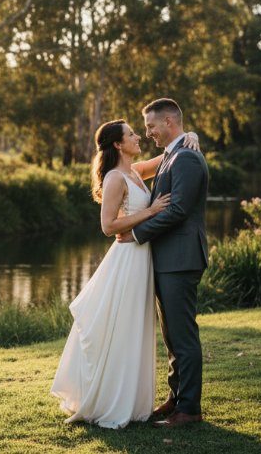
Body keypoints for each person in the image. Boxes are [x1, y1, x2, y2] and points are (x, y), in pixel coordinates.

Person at [50, 117, 199, 429]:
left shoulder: (135, 169)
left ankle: (134, 400)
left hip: (142, 257)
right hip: (127, 257)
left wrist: (191, 134)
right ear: (118, 144)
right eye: (132, 134)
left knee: (135, 329)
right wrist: (150, 211)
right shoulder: (115, 177)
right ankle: (109, 398)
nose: (139, 137)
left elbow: (170, 153)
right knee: (120, 327)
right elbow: (108, 227)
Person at [119, 98, 209, 428]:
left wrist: (136, 233)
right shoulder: (173, 154)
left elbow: (178, 211)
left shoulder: (185, 158)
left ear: (169, 121)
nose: (148, 133)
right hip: (168, 259)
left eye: (151, 126)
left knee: (183, 336)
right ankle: (176, 397)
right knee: (172, 335)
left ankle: (190, 410)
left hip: (181, 259)